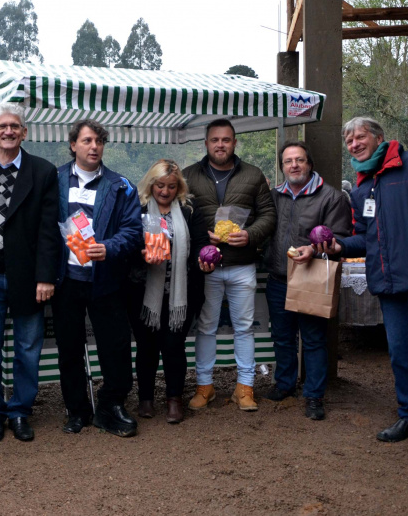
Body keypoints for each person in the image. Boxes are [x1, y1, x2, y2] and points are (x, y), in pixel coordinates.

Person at [319, 117, 408, 462]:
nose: (354, 144)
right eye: (349, 141)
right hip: (390, 287)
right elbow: (365, 237)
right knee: (401, 356)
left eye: (360, 137)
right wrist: (338, 245)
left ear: (380, 138)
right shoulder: (361, 187)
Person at [0, 102, 62, 442]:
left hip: (28, 276)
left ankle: (21, 411)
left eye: (15, 126)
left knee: (27, 348)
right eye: (2, 126)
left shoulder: (43, 171)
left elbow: (49, 230)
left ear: (24, 132)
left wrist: (46, 276)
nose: (8, 131)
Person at [53, 120, 141, 437]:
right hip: (66, 280)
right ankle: (77, 410)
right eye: (87, 140)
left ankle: (111, 406)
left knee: (115, 346)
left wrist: (110, 247)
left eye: (99, 141)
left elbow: (133, 231)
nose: (94, 146)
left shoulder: (120, 185)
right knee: (69, 347)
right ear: (73, 144)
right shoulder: (55, 180)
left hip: (106, 280)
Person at [182, 119, 276, 412]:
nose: (220, 145)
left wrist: (249, 235)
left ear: (235, 143)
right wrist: (200, 242)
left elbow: (269, 215)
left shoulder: (253, 174)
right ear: (206, 143)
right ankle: (205, 387)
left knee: (245, 327)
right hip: (205, 267)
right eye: (214, 140)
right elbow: (180, 216)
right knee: (206, 327)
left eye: (226, 139)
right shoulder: (189, 176)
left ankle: (245, 388)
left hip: (242, 264)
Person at [263, 141, 351, 421]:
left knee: (313, 340)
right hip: (278, 277)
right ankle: (285, 385)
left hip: (311, 277)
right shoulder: (273, 196)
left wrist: (313, 249)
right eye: (288, 161)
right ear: (282, 167)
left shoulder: (331, 197)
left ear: (309, 164)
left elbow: (341, 237)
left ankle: (314, 395)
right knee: (283, 338)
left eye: (299, 160)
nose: (294, 165)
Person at [124, 159, 208, 424]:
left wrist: (204, 259)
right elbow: (125, 245)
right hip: (143, 294)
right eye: (160, 185)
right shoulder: (135, 210)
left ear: (179, 187)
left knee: (173, 347)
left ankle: (174, 399)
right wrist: (141, 256)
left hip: (180, 295)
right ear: (151, 183)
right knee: (147, 348)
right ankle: (145, 399)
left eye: (171, 186)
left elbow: (200, 245)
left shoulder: (189, 210)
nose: (165, 191)